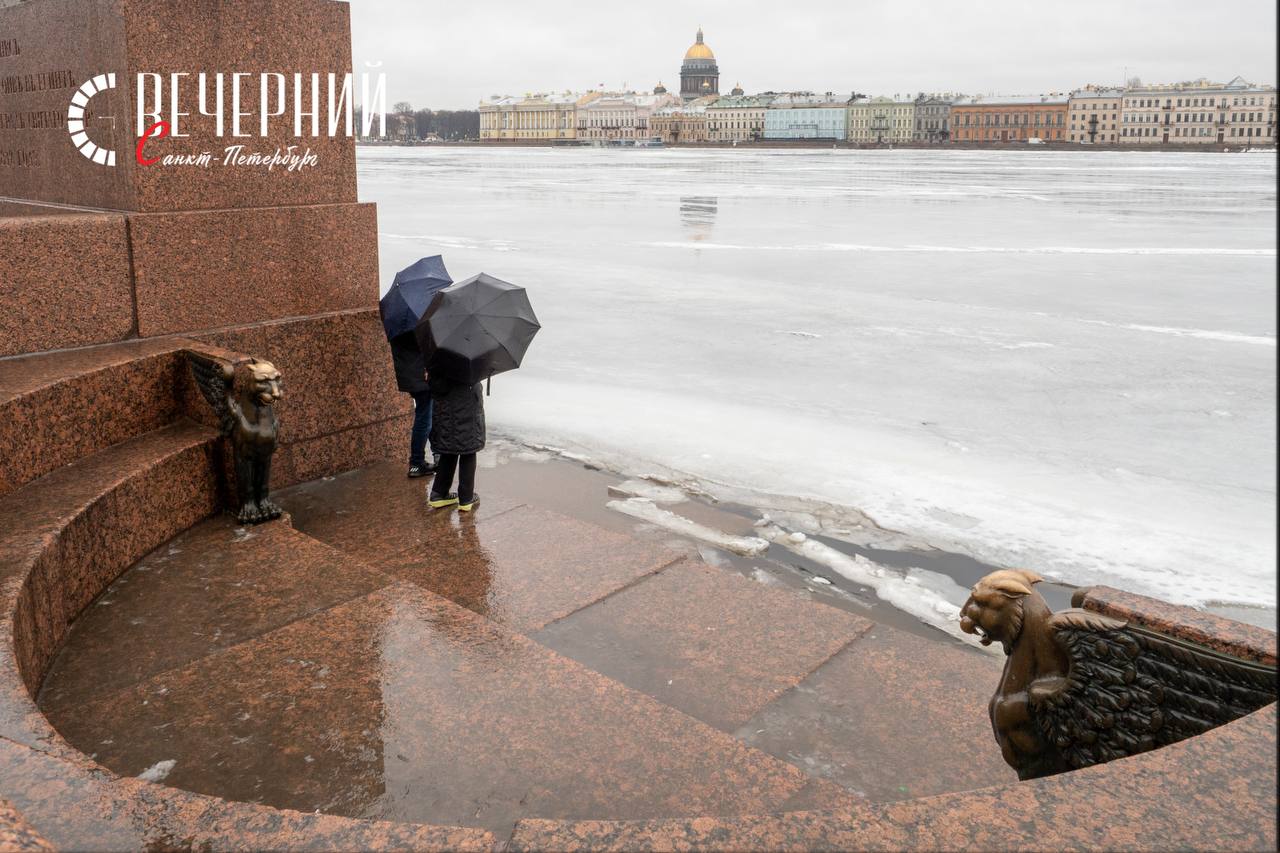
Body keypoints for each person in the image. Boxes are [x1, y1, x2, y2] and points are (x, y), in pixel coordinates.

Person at [426, 372, 485, 511]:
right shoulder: (468, 355)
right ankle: (466, 498)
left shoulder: (437, 355)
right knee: (468, 450)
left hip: (445, 408)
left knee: (448, 448)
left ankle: (438, 493)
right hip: (467, 403)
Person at [389, 334, 437, 478]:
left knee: (427, 414)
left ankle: (436, 455)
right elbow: (422, 344)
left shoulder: (397, 320)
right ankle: (416, 463)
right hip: (420, 374)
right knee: (424, 418)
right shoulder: (414, 323)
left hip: (410, 374)